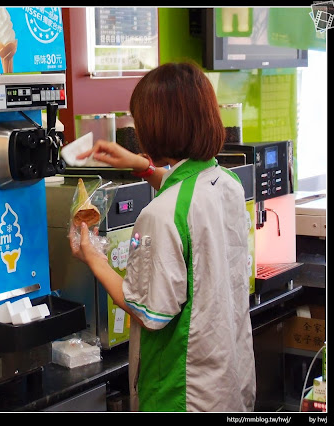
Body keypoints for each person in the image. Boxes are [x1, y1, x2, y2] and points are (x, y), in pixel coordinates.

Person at [68, 61, 256, 412]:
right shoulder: (226, 183)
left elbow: (148, 311)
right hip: (229, 380)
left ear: (153, 128)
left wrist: (93, 256)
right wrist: (143, 167)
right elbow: (186, 197)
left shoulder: (158, 216)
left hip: (182, 394)